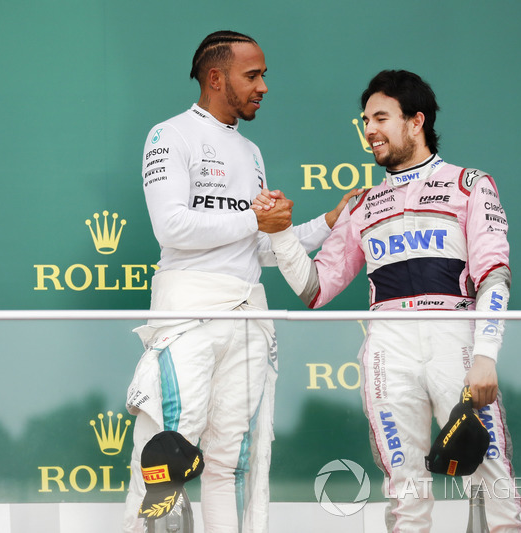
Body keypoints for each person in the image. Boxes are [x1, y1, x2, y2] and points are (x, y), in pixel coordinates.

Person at [261, 69, 521, 531]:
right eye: (365, 120)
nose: (369, 131)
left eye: (380, 118)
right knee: (405, 489)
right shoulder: (364, 205)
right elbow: (315, 288)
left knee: (494, 480)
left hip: (456, 339)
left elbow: (494, 277)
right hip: (388, 347)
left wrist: (485, 356)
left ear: (416, 121)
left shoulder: (469, 185)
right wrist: (282, 235)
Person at [123, 31, 357, 532]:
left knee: (234, 464)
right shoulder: (170, 135)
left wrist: (328, 223)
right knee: (165, 454)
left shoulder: (251, 152)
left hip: (250, 317)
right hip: (189, 314)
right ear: (215, 77)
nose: (264, 86)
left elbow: (262, 246)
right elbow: (172, 228)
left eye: (264, 75)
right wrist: (256, 221)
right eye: (252, 75)